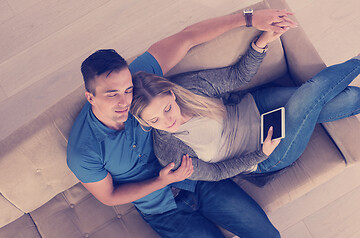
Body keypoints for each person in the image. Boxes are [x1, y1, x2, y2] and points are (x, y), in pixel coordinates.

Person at [67, 8, 298, 238]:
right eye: (111, 95)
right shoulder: (83, 151)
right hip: (163, 210)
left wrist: (248, 19)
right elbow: (109, 196)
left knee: (269, 236)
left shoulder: (140, 84)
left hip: (199, 179)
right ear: (90, 97)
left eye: (127, 90)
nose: (124, 101)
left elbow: (187, 37)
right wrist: (162, 180)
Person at [130, 34, 360, 183]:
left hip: (256, 106)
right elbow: (217, 173)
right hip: (265, 154)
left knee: (344, 98)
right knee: (310, 95)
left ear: (171, 94)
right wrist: (261, 153)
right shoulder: (170, 150)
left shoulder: (189, 88)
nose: (167, 121)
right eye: (154, 120)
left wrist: (259, 45)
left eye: (168, 108)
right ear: (145, 123)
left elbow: (237, 76)